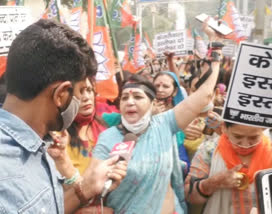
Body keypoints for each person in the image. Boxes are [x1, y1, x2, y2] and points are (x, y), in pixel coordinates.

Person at [0, 19, 126, 213]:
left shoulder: (42, 144)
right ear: (61, 94)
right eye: (80, 91)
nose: (84, 99)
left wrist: (88, 186)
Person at [92, 29, 221, 213]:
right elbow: (92, 186)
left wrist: (215, 57)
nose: (130, 102)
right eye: (125, 98)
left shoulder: (164, 124)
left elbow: (204, 96)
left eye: (137, 96)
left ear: (152, 103)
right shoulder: (108, 138)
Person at [185, 120, 272, 214]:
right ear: (224, 127)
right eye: (237, 136)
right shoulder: (209, 150)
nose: (245, 145)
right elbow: (188, 195)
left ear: (263, 130)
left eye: (253, 138)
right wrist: (214, 182)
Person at [66, 77, 108, 174]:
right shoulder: (59, 137)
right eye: (80, 92)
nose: (86, 97)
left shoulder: (105, 126)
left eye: (89, 90)